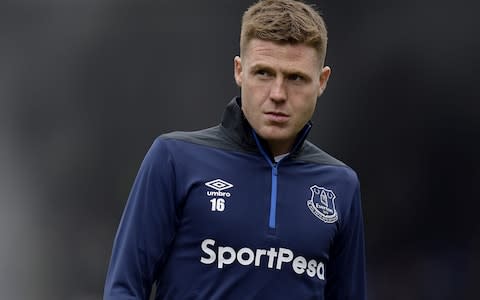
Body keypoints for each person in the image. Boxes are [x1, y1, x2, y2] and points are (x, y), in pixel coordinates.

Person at [103, 0, 367, 299]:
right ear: (239, 71)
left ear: (322, 81)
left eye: (295, 78)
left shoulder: (341, 184)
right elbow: (124, 288)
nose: (278, 94)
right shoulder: (174, 158)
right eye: (264, 73)